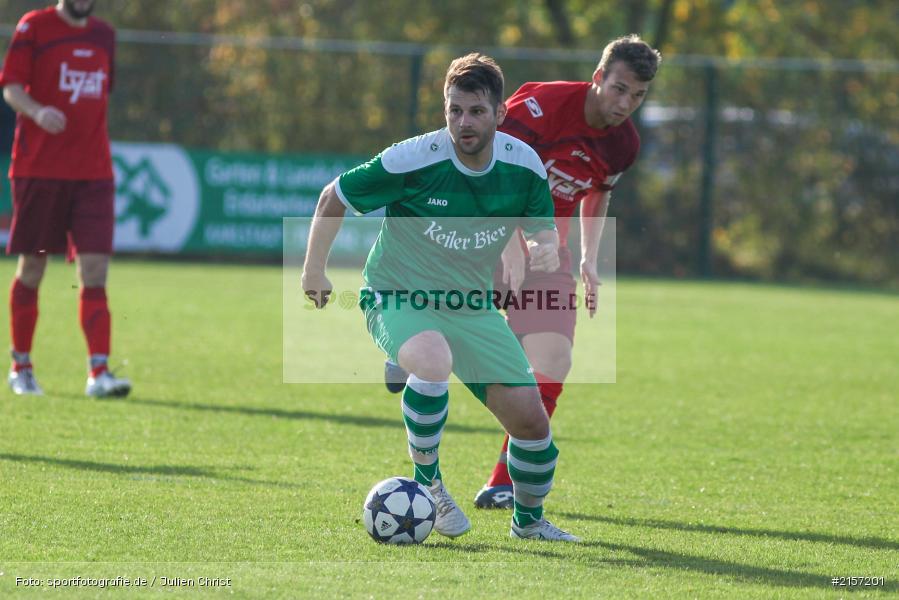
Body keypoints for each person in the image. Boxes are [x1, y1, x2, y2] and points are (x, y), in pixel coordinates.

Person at [302, 53, 579, 542]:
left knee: (533, 426)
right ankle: (429, 487)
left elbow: (542, 230)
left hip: (471, 307)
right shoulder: (415, 157)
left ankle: (529, 523)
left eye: (475, 111)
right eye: (454, 110)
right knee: (431, 361)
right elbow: (334, 196)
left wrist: (542, 248)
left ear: (500, 114)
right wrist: (313, 270)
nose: (463, 122)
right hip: (398, 292)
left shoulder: (524, 166)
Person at [384, 35, 662, 509]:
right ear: (598, 78)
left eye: (637, 96)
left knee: (554, 360)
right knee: (446, 338)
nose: (625, 104)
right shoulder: (542, 105)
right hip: (477, 233)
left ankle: (502, 483)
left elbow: (597, 192)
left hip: (548, 254)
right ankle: (409, 339)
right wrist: (509, 238)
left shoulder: (624, 143)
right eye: (618, 89)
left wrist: (590, 260)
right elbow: (487, 159)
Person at [1, 0, 130, 398]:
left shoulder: (104, 35)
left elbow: (102, 93)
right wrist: (38, 112)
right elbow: (10, 88)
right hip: (40, 171)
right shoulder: (33, 26)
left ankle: (99, 373)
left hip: (94, 174)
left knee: (95, 271)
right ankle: (21, 366)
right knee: (33, 266)